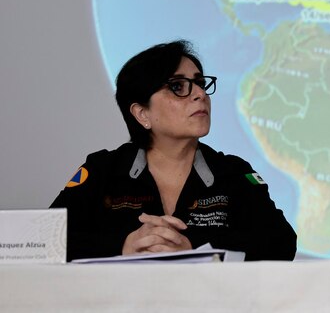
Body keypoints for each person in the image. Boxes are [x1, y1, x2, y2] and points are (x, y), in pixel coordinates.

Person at [51, 40, 297, 261]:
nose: (200, 94)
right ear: (142, 113)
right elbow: (44, 240)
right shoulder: (102, 171)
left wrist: (194, 247)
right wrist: (123, 246)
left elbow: (282, 243)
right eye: (178, 87)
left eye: (200, 84)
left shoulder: (232, 173)